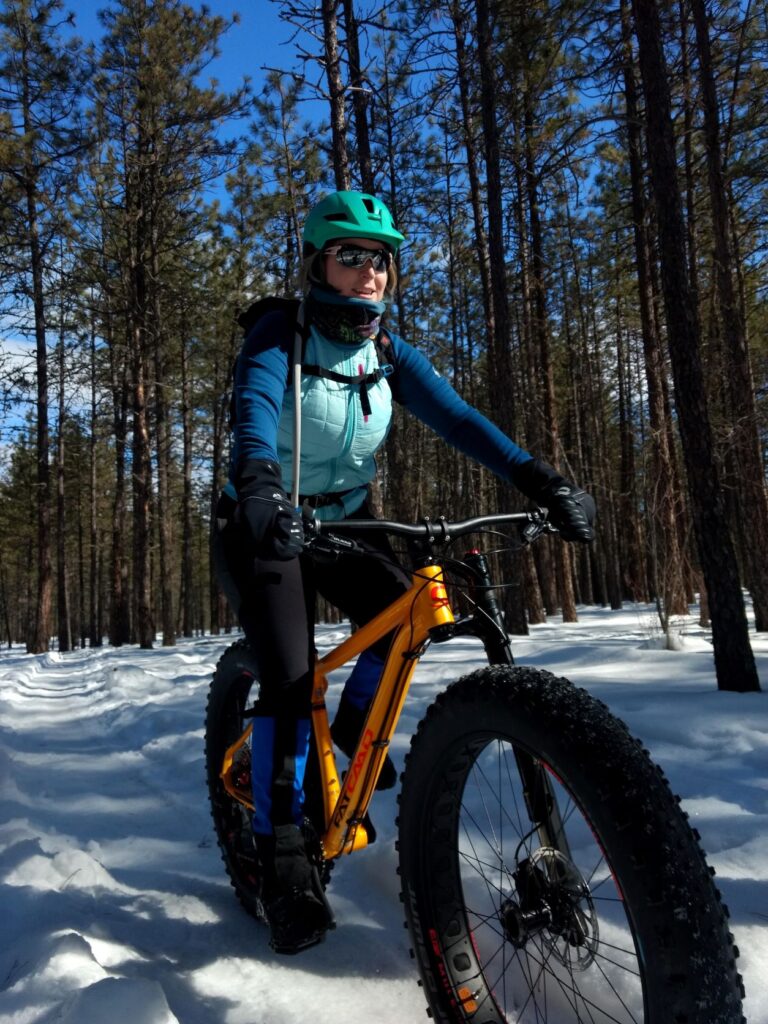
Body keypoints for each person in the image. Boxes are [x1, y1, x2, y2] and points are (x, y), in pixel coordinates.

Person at [213, 190, 594, 955]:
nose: (369, 270)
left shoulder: (386, 352)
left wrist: (541, 480)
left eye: (380, 257)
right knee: (290, 681)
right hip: (265, 516)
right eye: (350, 254)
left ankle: (352, 735)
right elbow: (253, 408)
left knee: (402, 618)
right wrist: (255, 483)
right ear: (319, 263)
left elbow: (458, 420)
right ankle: (283, 851)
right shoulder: (275, 335)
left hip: (345, 514)